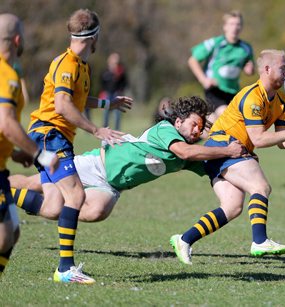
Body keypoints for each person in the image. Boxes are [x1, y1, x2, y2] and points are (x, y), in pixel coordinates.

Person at [170, 49, 285, 265]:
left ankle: (184, 239)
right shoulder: (252, 97)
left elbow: (283, 143)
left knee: (232, 207)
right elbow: (258, 139)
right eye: (282, 68)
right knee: (260, 186)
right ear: (267, 69)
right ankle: (260, 241)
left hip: (234, 150)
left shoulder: (284, 103)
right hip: (223, 144)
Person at [11, 96, 247, 223]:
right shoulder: (165, 130)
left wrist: (237, 158)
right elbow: (187, 152)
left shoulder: (189, 154)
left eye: (200, 127)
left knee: (95, 213)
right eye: (194, 124)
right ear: (178, 122)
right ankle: (6, 186)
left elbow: (211, 165)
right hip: (97, 164)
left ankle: (43, 206)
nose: (197, 131)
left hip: (113, 185)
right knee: (35, 185)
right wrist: (228, 151)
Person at [26, 9, 133, 284]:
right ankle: (65, 269)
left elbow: (78, 100)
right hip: (50, 135)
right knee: (75, 197)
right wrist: (97, 129)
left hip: (52, 138)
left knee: (52, 205)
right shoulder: (68, 64)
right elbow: (62, 105)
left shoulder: (82, 67)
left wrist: (110, 104)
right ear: (95, 36)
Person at [0, 13, 59, 278]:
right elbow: (7, 124)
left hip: (2, 169)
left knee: (12, 232)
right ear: (17, 39)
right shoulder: (7, 74)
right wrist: (40, 155)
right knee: (4, 235)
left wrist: (13, 152)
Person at [187, 10, 254, 131]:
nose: (235, 27)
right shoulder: (215, 43)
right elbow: (193, 60)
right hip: (215, 89)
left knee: (213, 124)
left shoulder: (246, 48)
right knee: (227, 116)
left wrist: (249, 69)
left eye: (238, 24)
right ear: (225, 26)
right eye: (232, 24)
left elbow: (249, 67)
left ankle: (193, 135)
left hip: (233, 91)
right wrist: (203, 80)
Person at [100, 52, 128, 130]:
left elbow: (124, 83)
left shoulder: (121, 71)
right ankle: (105, 131)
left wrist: (121, 92)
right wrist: (102, 95)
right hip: (107, 95)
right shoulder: (105, 72)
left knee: (117, 115)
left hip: (117, 95)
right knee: (105, 114)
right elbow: (102, 85)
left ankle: (117, 131)